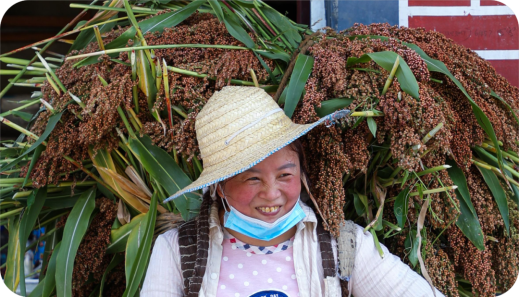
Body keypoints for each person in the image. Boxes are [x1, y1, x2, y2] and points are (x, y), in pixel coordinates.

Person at [141, 87, 443, 297]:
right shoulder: (178, 252)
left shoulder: (346, 247)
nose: (272, 194)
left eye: (285, 174)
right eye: (252, 179)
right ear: (219, 186)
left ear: (302, 170)